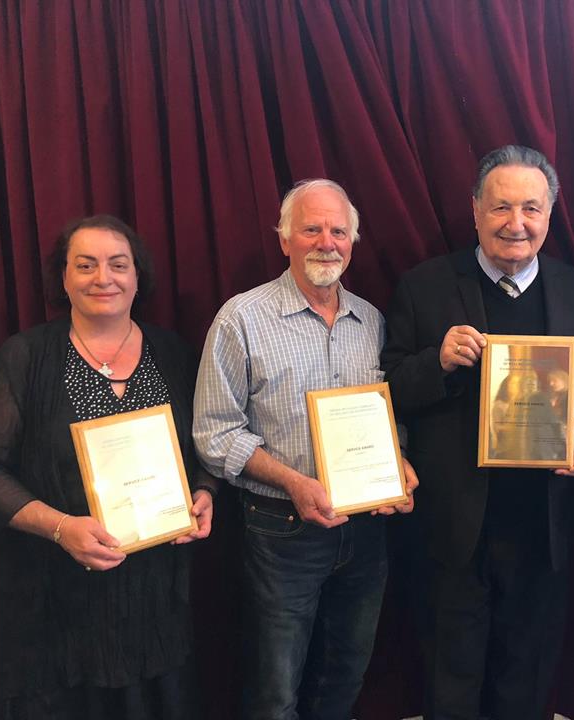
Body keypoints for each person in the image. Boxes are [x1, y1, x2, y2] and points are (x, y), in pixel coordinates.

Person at [0, 215, 216, 720]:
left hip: (154, 598)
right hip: (59, 600)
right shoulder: (26, 357)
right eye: (86, 265)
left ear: (138, 276)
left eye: (118, 264)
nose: (103, 278)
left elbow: (205, 447)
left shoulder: (174, 353)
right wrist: (60, 528)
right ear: (64, 277)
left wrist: (205, 492)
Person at [380, 145, 574, 719]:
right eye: (501, 207)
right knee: (450, 681)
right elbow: (388, 389)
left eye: (531, 208)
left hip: (543, 524)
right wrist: (436, 362)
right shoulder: (425, 285)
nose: (516, 223)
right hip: (454, 528)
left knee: (525, 681)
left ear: (549, 214)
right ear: (475, 210)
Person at [192, 179, 418, 720]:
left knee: (346, 671)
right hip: (282, 530)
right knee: (275, 688)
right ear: (284, 238)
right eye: (311, 229)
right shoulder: (241, 318)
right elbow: (214, 434)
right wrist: (294, 482)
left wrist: (399, 462)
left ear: (353, 242)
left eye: (338, 231)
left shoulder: (371, 321)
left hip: (366, 529)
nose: (326, 242)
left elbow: (387, 414)